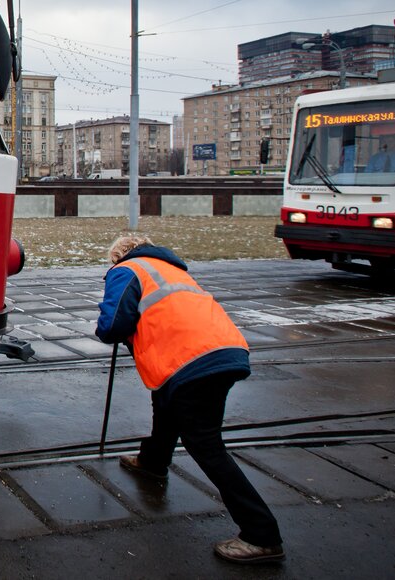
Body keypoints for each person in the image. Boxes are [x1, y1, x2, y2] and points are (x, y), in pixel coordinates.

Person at [95, 234, 284, 565]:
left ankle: (261, 534)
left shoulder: (128, 269)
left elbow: (113, 323)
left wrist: (108, 330)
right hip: (222, 350)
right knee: (165, 404)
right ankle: (153, 462)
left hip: (193, 361)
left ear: (117, 256)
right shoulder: (173, 270)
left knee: (205, 445)